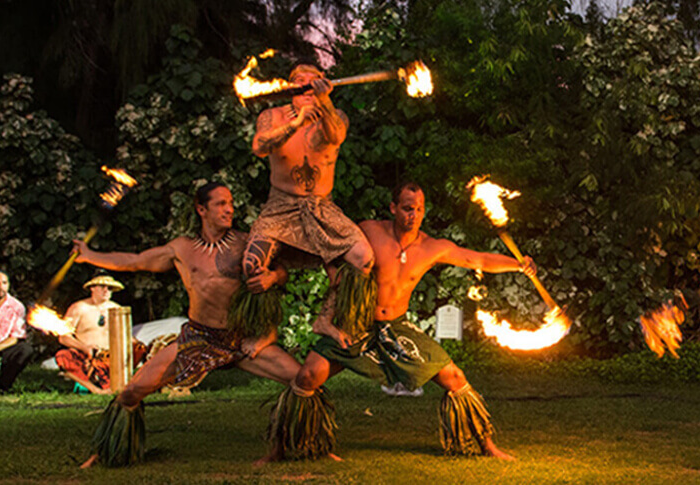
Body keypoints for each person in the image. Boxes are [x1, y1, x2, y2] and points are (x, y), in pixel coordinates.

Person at [267, 182, 536, 461]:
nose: (414, 215)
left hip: (396, 328)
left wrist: (518, 264)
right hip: (356, 325)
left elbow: (476, 258)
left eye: (419, 209)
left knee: (455, 378)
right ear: (393, 208)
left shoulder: (432, 247)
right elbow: (328, 245)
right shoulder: (369, 231)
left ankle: (487, 445)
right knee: (307, 376)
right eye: (407, 208)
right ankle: (282, 449)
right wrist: (334, 273)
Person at [72, 183, 301, 467]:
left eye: (230, 203)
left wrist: (272, 278)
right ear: (201, 209)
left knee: (302, 379)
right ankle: (107, 451)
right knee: (132, 392)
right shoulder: (182, 248)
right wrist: (90, 255)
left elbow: (281, 269)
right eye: (220, 204)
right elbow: (136, 261)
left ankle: (291, 449)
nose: (229, 209)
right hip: (198, 338)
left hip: (241, 339)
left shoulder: (246, 243)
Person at [234, 63, 375, 351]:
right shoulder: (272, 116)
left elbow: (335, 137)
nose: (307, 86)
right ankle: (265, 330)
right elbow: (260, 147)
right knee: (252, 265)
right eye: (300, 81)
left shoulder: (335, 117)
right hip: (280, 207)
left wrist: (324, 102)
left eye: (315, 82)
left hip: (321, 207)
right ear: (290, 88)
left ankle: (327, 320)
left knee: (363, 257)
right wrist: (296, 123)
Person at [54, 271, 147, 394]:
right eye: (102, 286)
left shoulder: (117, 309)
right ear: (92, 288)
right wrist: (84, 348)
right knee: (63, 356)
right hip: (87, 358)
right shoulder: (78, 308)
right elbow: (64, 337)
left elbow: (125, 336)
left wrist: (136, 345)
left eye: (109, 288)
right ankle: (95, 389)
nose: (106, 290)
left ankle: (130, 382)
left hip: (112, 358)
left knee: (140, 348)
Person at [0, 269, 34, 393]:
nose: (1, 287)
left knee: (25, 349)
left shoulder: (17, 307)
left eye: (4, 283)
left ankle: (2, 386)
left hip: (2, 349)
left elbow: (16, 336)